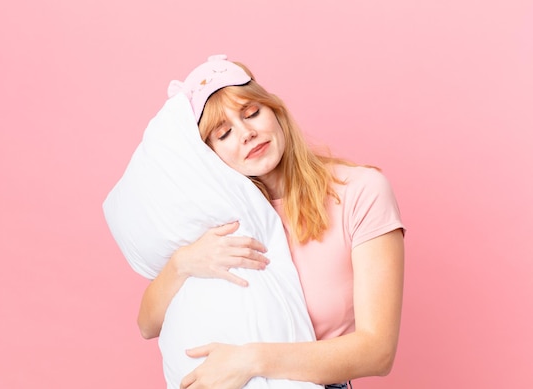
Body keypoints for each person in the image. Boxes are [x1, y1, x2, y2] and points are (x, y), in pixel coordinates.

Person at [138, 55, 405, 389]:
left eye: (252, 113)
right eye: (224, 134)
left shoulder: (359, 192)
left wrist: (250, 360)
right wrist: (182, 264)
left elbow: (378, 352)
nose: (247, 133)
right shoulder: (220, 215)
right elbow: (147, 325)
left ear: (275, 111)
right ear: (211, 156)